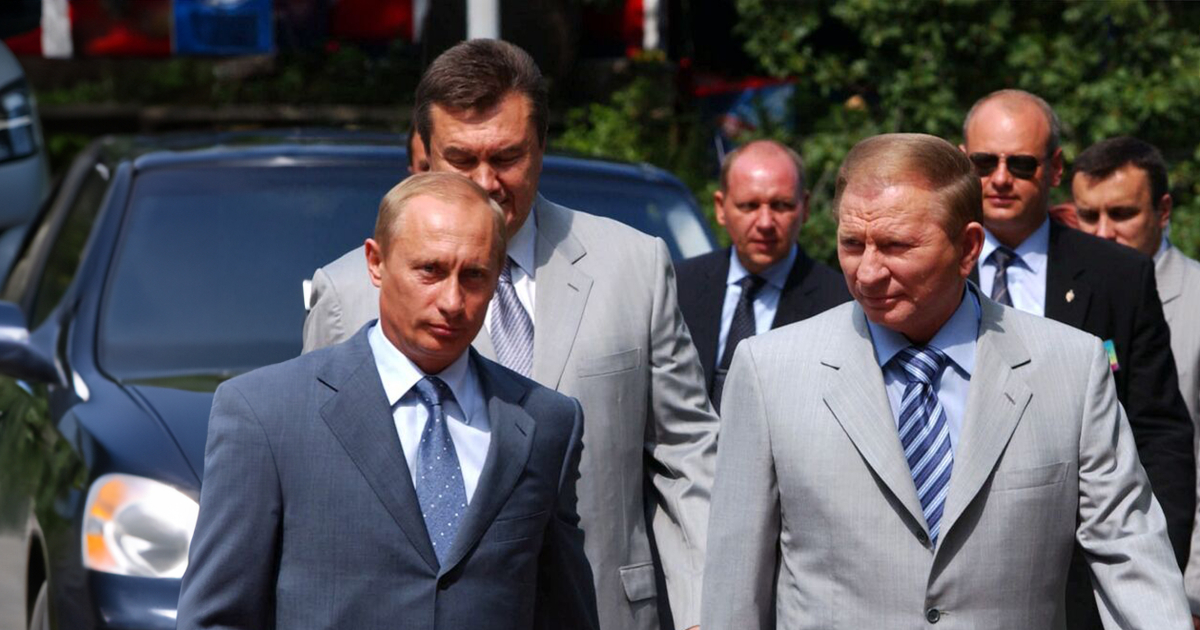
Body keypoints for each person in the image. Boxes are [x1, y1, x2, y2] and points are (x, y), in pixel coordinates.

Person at [302, 40, 716, 630]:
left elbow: (687, 450)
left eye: (507, 156)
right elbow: (319, 494)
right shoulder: (351, 292)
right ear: (422, 156)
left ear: (542, 148)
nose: (486, 182)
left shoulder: (634, 265)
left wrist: (704, 604)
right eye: (461, 158)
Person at [701, 132, 1192, 629]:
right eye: (852, 244)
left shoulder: (1068, 366)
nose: (867, 272)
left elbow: (1130, 553)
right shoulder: (769, 371)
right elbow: (736, 586)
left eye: (896, 246)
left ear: (968, 247)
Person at [177, 172, 599, 629]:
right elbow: (217, 617)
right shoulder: (267, 414)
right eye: (430, 271)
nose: (452, 301)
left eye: (474, 275)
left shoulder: (543, 422)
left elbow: (564, 611)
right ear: (375, 263)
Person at [960, 89, 1195, 630]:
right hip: (963, 573)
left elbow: (1159, 431)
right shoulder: (927, 270)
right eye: (983, 162)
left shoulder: (1118, 275)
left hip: (1087, 578)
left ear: (1055, 168)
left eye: (1020, 163)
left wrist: (1158, 565)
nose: (1000, 179)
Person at [1072, 135, 1200, 625]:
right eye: (1088, 216)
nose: (1103, 232)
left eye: (1122, 214)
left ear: (1163, 210)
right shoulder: (1071, 300)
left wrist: (1185, 594)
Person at [675, 140, 849, 410]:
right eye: (749, 206)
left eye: (780, 205)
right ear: (721, 208)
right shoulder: (677, 286)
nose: (765, 223)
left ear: (804, 207)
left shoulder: (842, 303)